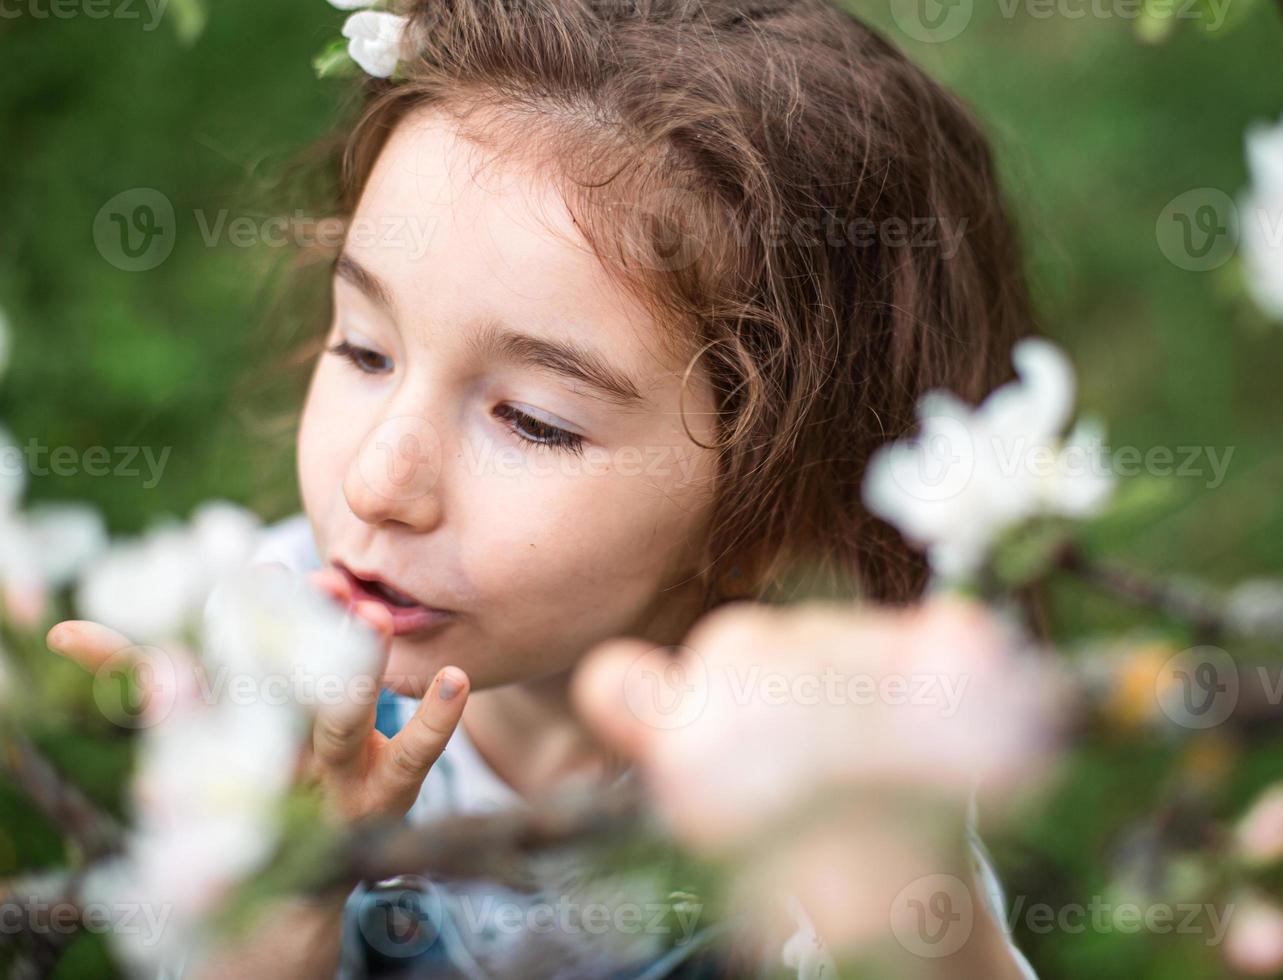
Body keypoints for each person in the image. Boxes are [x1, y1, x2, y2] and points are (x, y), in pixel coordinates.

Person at [49, 1, 1039, 975]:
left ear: (781, 503)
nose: (377, 479)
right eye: (363, 347)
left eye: (531, 419)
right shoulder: (261, 666)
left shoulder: (807, 773)